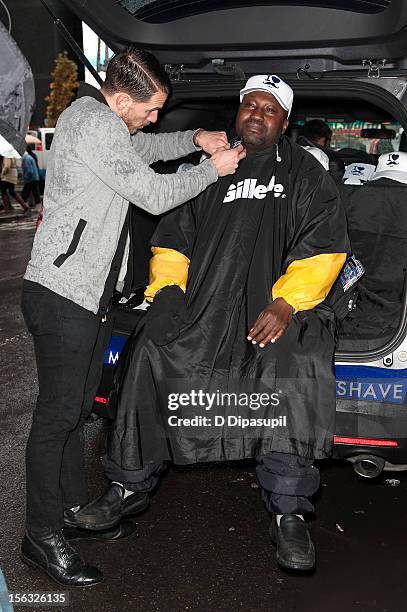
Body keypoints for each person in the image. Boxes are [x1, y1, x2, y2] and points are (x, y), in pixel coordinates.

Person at [71, 75, 350, 573]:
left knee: (293, 360)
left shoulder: (307, 174)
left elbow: (325, 247)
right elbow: (172, 239)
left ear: (284, 122)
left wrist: (287, 303)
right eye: (249, 105)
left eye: (269, 108)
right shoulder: (212, 169)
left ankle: (289, 513)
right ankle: (126, 486)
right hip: (206, 306)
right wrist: (168, 292)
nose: (257, 114)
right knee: (152, 348)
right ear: (237, 114)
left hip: (275, 308)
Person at [20, 46, 245, 588]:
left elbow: (143, 148)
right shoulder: (93, 125)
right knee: (56, 420)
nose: (155, 118)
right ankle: (40, 534)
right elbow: (154, 192)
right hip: (61, 293)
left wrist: (192, 139)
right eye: (149, 109)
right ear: (120, 99)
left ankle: (73, 510)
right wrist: (211, 167)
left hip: (90, 295)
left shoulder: (108, 122)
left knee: (76, 413)